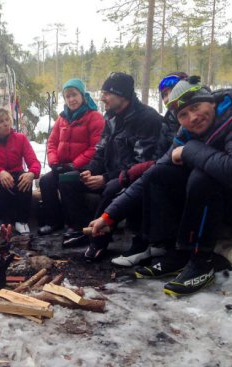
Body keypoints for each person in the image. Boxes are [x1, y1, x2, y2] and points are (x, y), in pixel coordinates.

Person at [90, 76, 232, 296]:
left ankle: (201, 262)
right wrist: (109, 216)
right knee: (161, 173)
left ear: (211, 101)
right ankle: (177, 254)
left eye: (196, 107)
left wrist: (189, 150)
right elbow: (149, 176)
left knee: (202, 178)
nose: (193, 118)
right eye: (183, 115)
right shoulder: (186, 134)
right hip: (223, 199)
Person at [59, 72, 162, 259]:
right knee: (67, 180)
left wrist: (106, 178)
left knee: (110, 188)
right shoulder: (112, 117)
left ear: (121, 94)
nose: (102, 98)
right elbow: (101, 149)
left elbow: (141, 163)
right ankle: (84, 228)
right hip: (109, 173)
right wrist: (91, 170)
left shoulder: (147, 118)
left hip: (133, 178)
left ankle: (99, 242)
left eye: (106, 93)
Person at [108, 72, 188, 266]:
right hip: (170, 169)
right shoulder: (169, 120)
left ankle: (142, 243)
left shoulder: (182, 118)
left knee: (146, 178)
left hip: (189, 172)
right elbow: (162, 152)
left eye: (172, 92)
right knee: (144, 176)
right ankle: (154, 241)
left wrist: (142, 168)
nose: (168, 98)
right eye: (164, 94)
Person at [37, 78, 105, 236]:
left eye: (74, 95)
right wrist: (54, 162)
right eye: (67, 96)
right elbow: (52, 142)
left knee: (66, 181)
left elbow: (96, 147)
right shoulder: (62, 118)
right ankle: (54, 221)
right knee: (46, 181)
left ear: (82, 95)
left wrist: (75, 164)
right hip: (63, 165)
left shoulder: (94, 117)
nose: (71, 99)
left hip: (86, 168)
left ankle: (76, 224)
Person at [0, 107, 41, 235]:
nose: (6, 123)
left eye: (7, 120)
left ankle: (22, 221)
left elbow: (34, 162)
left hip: (17, 175)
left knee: (25, 179)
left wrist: (31, 173)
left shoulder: (20, 139)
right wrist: (0, 172)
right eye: (1, 121)